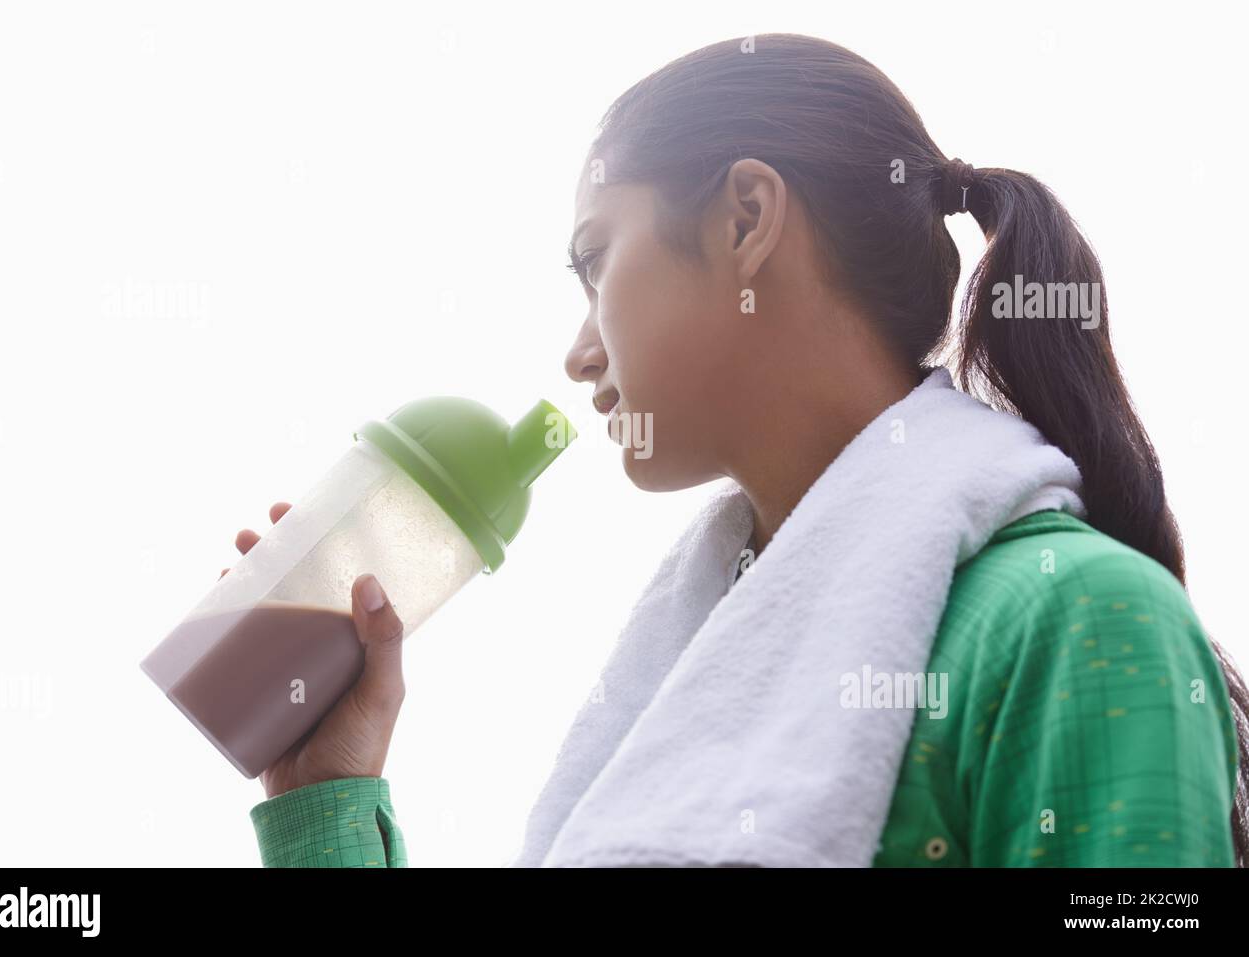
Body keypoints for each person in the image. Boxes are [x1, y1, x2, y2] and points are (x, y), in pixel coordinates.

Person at [239, 33, 1246, 867]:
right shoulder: (690, 664)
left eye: (596, 264)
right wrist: (330, 792)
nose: (579, 353)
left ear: (747, 219)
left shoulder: (1076, 623)